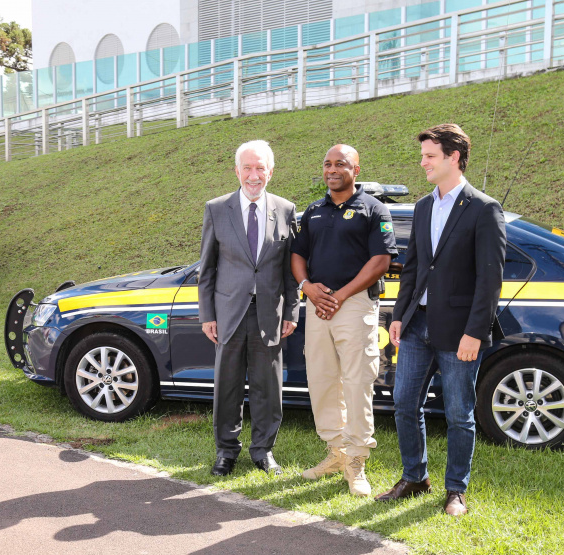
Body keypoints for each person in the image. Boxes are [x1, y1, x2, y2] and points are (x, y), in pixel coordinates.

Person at [376, 124, 506, 516]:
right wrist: (400, 316)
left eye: (430, 156)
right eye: (423, 156)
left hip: (459, 331)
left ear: (454, 157)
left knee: (459, 415)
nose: (423, 163)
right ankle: (415, 477)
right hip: (417, 326)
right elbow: (413, 268)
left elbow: (489, 280)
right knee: (403, 404)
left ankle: (455, 491)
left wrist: (475, 333)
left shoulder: (484, 209)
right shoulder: (423, 207)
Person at [291, 144, 398, 496]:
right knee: (322, 380)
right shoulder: (314, 210)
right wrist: (308, 287)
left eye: (341, 164)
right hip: (318, 306)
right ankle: (336, 453)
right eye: (327, 164)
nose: (332, 169)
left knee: (356, 383)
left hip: (354, 305)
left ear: (355, 169)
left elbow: (380, 261)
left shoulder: (373, 209)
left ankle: (356, 460)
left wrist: (339, 295)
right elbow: (297, 255)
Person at [198, 140, 299, 477]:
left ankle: (263, 451)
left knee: (267, 389)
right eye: (248, 168)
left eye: (260, 168)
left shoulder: (285, 209)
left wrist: (291, 312)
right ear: (237, 171)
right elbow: (207, 269)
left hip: (269, 314)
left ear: (271, 171)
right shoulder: (216, 209)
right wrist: (207, 315)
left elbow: (289, 270)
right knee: (226, 387)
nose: (254, 175)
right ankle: (226, 452)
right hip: (229, 314)